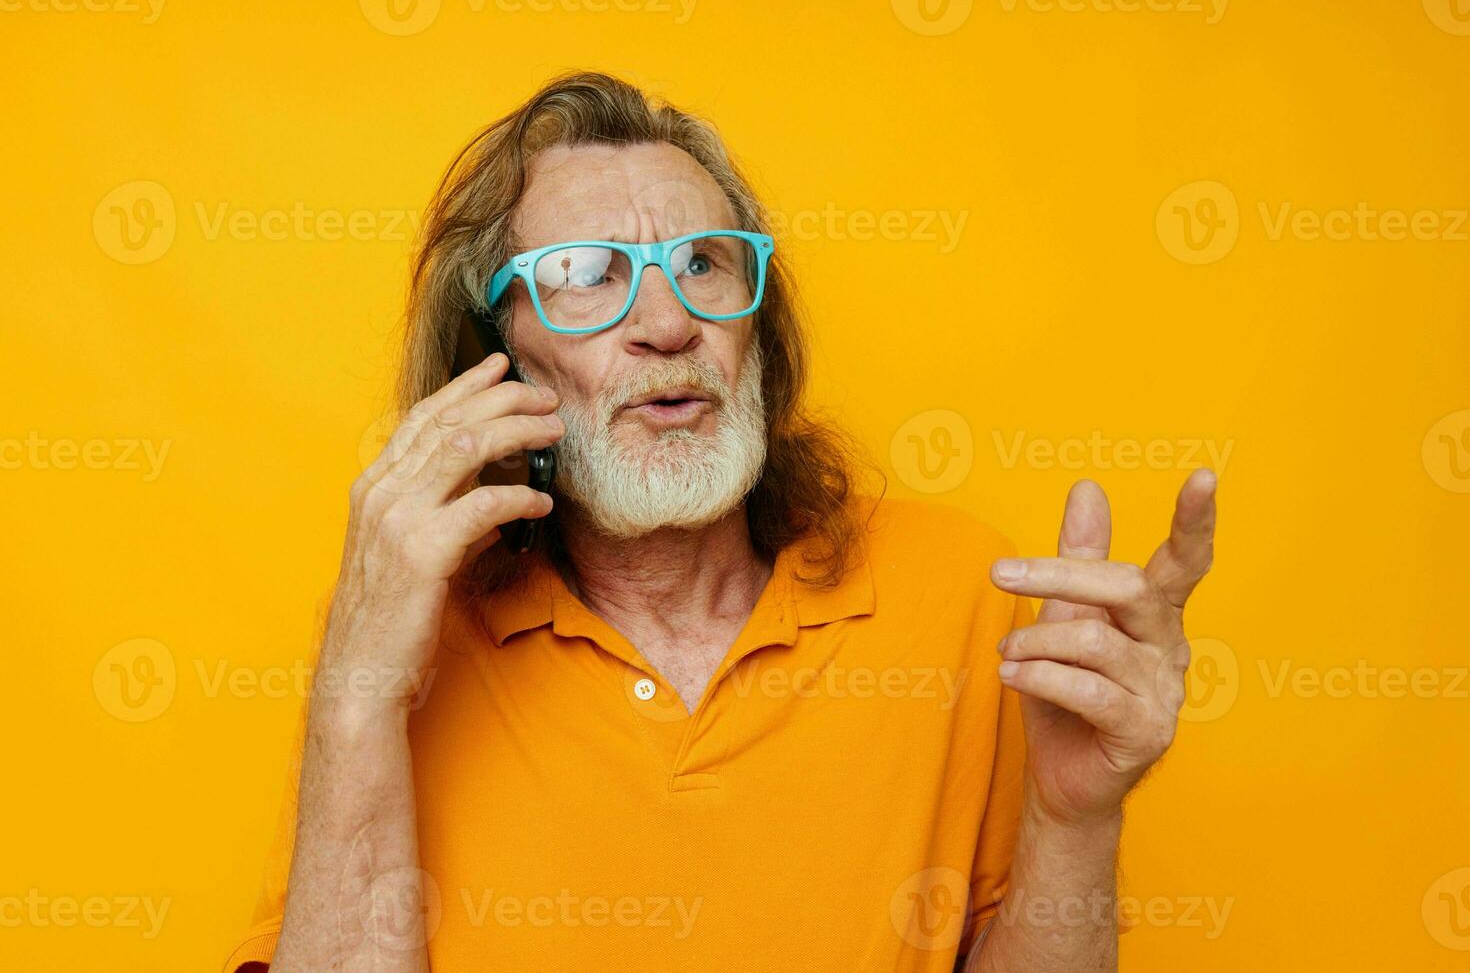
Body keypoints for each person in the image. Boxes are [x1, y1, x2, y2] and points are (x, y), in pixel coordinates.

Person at [224, 70, 1217, 973]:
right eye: (586, 275)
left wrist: (1073, 817)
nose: (667, 322)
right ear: (495, 356)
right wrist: (356, 695)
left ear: (760, 326)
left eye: (704, 262)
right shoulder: (407, 637)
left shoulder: (957, 587)